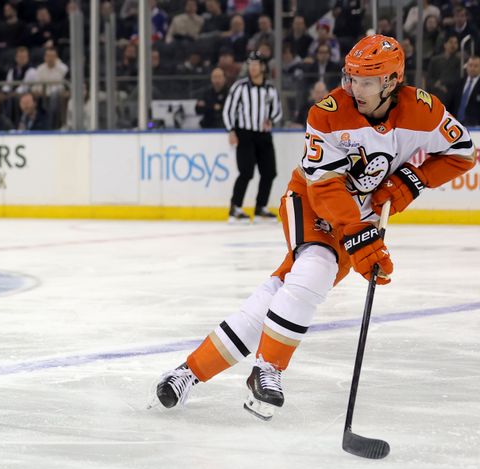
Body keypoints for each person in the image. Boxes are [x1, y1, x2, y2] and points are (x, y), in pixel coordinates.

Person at [150, 35, 475, 423]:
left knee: (287, 288)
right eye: (351, 78)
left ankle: (188, 373)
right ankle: (267, 369)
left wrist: (407, 184)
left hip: (362, 213)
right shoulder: (328, 112)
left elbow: (462, 152)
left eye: (366, 81)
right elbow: (325, 187)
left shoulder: (423, 111)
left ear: (391, 82)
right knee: (316, 264)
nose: (354, 88)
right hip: (309, 198)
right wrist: (358, 234)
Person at [222, 50, 282, 223]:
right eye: (250, 65)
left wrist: (271, 120)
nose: (253, 68)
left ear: (262, 67)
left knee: (270, 172)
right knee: (246, 171)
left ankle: (260, 208)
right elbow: (228, 110)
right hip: (245, 134)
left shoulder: (270, 89)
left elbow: (277, 111)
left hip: (263, 135)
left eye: (256, 65)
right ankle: (235, 207)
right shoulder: (240, 87)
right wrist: (231, 130)